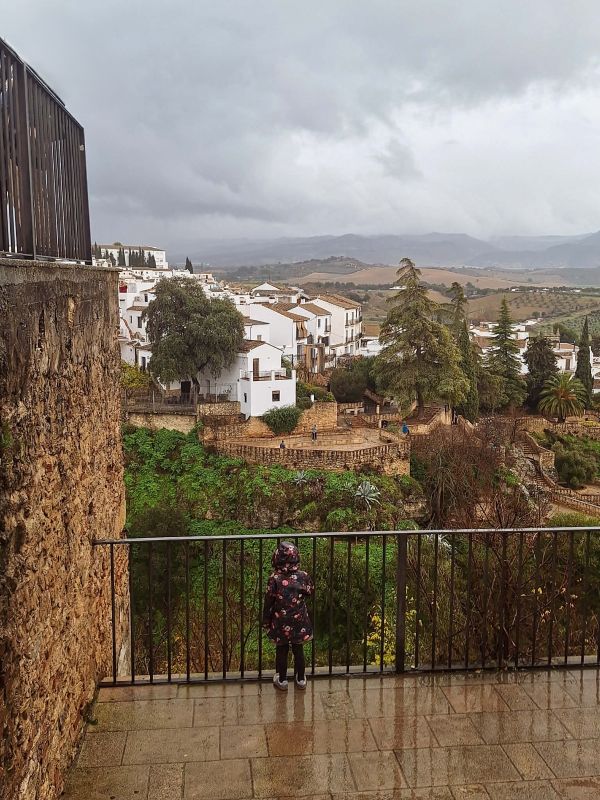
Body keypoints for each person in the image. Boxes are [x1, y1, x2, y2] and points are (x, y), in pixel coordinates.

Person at [262, 541, 313, 691]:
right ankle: (301, 679)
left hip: (280, 621)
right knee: (298, 649)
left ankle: (282, 680)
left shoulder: (274, 579)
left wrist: (266, 620)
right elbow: (310, 591)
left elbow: (268, 601)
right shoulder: (303, 576)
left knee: (282, 649)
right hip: (299, 620)